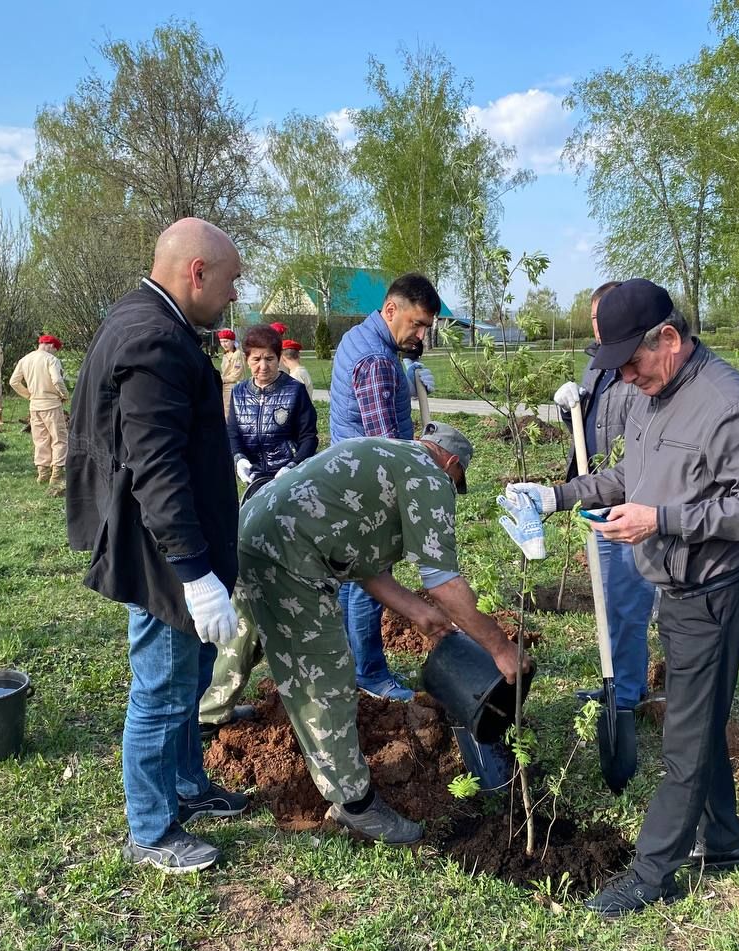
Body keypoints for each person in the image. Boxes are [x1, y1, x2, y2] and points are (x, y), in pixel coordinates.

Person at [507, 278, 739, 916]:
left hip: (716, 590)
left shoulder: (727, 402)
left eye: (633, 362)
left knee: (685, 738)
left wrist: (661, 520)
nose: (627, 377)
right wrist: (554, 497)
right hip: (679, 585)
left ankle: (650, 873)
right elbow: (629, 477)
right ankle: (722, 840)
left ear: (669, 338)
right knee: (701, 713)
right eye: (618, 367)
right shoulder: (648, 395)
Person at [205, 424, 531, 843]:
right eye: (456, 483)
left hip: (254, 530)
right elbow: (444, 581)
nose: (451, 492)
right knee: (327, 676)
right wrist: (501, 649)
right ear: (451, 464)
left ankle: (206, 717)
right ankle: (353, 804)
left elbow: (360, 561)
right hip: (292, 556)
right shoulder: (429, 476)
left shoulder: (386, 455)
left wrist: (419, 613)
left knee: (245, 630)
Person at [66, 217, 247, 874]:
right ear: (197, 272)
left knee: (189, 675)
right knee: (164, 688)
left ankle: (186, 786)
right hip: (163, 551)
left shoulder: (144, 318)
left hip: (169, 542)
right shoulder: (154, 339)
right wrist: (194, 574)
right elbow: (156, 465)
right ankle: (151, 829)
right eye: (230, 281)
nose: (234, 295)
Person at [553, 282, 659, 783]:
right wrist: (565, 406)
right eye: (596, 323)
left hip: (630, 500)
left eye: (606, 322)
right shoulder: (596, 362)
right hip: (595, 495)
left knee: (629, 600)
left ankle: (629, 691)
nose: (600, 332)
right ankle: (616, 684)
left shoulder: (642, 368)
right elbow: (585, 420)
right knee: (606, 599)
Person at [328, 273, 439, 701]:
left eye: (427, 326)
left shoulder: (363, 338)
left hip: (344, 477)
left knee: (348, 579)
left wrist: (405, 380)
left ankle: (343, 663)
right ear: (391, 310)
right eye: (416, 324)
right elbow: (384, 446)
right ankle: (369, 674)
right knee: (369, 581)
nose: (420, 334)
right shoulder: (375, 361)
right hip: (366, 487)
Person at [225, 325, 318, 486]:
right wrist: (239, 458)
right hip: (255, 479)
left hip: (290, 479)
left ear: (279, 358)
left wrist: (292, 465)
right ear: (247, 360)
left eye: (269, 359)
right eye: (256, 359)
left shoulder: (296, 390)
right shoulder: (238, 392)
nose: (263, 366)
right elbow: (233, 432)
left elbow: (309, 437)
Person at [10, 334, 70, 493]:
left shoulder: (25, 359)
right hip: (51, 403)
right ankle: (57, 473)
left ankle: (42, 472)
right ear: (50, 345)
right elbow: (57, 380)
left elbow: (13, 382)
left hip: (35, 405)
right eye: (56, 349)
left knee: (40, 438)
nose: (55, 353)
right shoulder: (51, 360)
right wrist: (64, 395)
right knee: (59, 438)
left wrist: (28, 395)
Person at [217, 328, 244, 417]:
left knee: (230, 411)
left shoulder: (237, 354)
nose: (224, 344)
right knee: (224, 409)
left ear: (232, 341)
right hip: (225, 385)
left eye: (226, 341)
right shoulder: (226, 353)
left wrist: (222, 379)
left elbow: (236, 374)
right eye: (221, 342)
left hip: (233, 385)